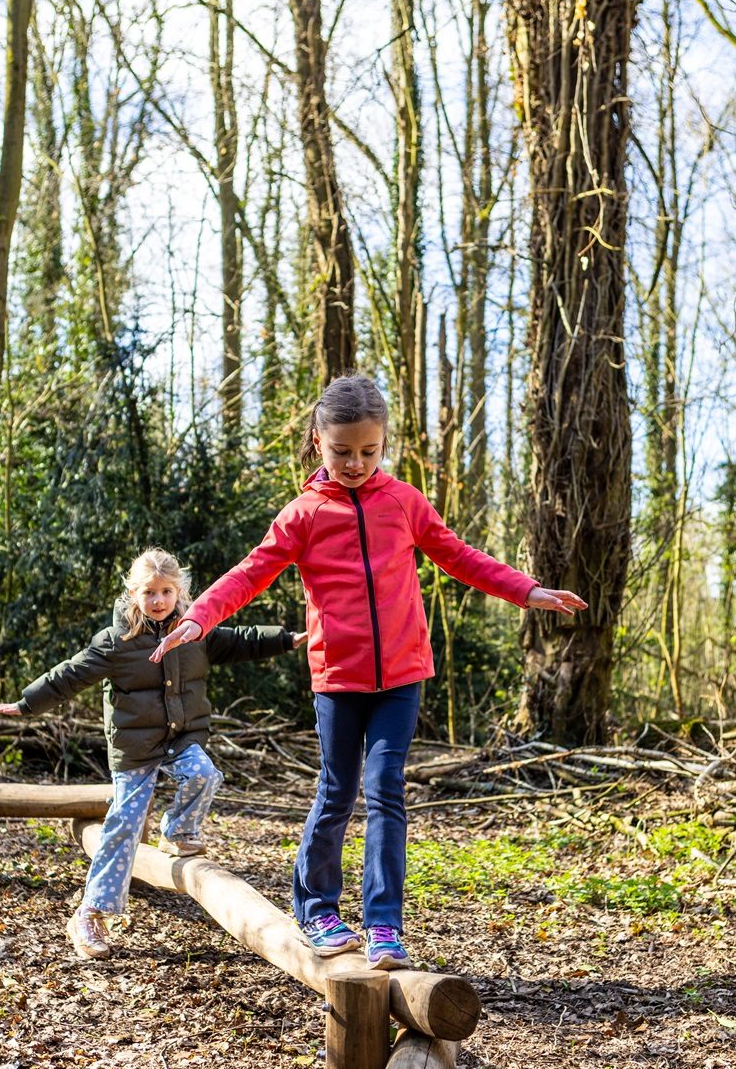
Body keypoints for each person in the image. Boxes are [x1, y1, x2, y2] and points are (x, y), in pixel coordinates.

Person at [153, 375, 586, 971]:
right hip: (339, 677)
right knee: (337, 789)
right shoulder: (302, 515)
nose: (355, 463)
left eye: (368, 451)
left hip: (402, 675)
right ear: (317, 443)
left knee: (386, 792)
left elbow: (459, 556)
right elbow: (249, 573)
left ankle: (384, 926)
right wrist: (200, 617)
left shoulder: (404, 503)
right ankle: (316, 910)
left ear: (384, 446)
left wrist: (528, 591)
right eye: (342, 451)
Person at [0, 547, 304, 961]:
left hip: (180, 738)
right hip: (135, 747)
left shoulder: (196, 631)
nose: (158, 601)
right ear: (133, 594)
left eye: (166, 592)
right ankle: (90, 913)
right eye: (149, 593)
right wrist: (27, 703)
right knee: (123, 823)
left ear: (180, 592)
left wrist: (285, 639)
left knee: (204, 774)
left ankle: (177, 831)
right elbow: (69, 674)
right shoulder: (115, 642)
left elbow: (238, 640)